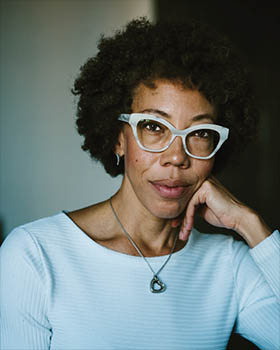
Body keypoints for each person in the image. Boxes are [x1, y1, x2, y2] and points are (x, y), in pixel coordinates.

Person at [1, 17, 279, 350]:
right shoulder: (35, 255)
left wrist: (251, 225)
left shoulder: (229, 266)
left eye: (201, 134)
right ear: (119, 139)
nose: (177, 156)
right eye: (154, 127)